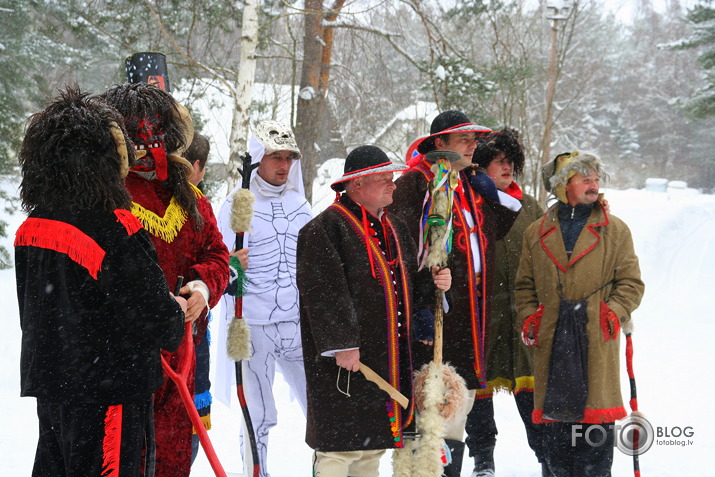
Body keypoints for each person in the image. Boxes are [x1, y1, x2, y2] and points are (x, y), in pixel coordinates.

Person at [15, 86, 187, 476]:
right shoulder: (115, 227)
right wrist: (175, 310)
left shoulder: (31, 226)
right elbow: (158, 320)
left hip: (54, 388)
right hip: (109, 390)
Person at [297, 145, 452, 477]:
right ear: (356, 185)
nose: (393, 185)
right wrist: (343, 343)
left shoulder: (394, 228)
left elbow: (407, 282)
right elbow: (323, 293)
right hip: (345, 363)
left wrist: (434, 280)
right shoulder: (325, 228)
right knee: (339, 448)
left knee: (370, 449)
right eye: (384, 180)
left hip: (385, 359)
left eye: (393, 179)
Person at [101, 83, 230, 477]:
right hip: (122, 359)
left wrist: (202, 289)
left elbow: (218, 257)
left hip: (183, 358)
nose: (148, 145)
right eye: (139, 135)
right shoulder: (104, 198)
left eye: (155, 133)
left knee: (173, 457)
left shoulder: (191, 198)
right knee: (124, 457)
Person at [389, 111, 520, 476]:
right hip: (433, 324)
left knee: (454, 415)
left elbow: (499, 227)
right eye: (463, 139)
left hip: (468, 327)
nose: (472, 146)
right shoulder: (417, 185)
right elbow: (399, 251)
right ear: (439, 145)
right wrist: (419, 305)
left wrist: (488, 189)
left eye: (474, 140)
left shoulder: (466, 183)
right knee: (429, 414)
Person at [515, 151, 645, 476]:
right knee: (557, 449)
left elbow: (631, 283)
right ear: (562, 186)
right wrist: (532, 317)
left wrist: (611, 313)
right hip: (553, 346)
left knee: (595, 449)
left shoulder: (615, 230)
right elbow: (524, 287)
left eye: (596, 178)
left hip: (596, 344)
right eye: (584, 177)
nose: (594, 184)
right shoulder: (535, 233)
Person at [216, 120, 312, 477]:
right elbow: (214, 264)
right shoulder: (235, 206)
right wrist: (229, 267)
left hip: (295, 323)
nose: (283, 166)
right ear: (258, 159)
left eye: (289, 158)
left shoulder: (302, 207)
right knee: (256, 413)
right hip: (253, 324)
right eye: (275, 157)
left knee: (320, 407)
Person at [464, 128, 546, 476]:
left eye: (511, 161)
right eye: (498, 161)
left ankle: (547, 457)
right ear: (481, 167)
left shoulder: (530, 207)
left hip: (525, 318)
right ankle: (483, 458)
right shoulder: (469, 205)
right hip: (482, 315)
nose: (506, 167)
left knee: (533, 395)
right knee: (477, 393)